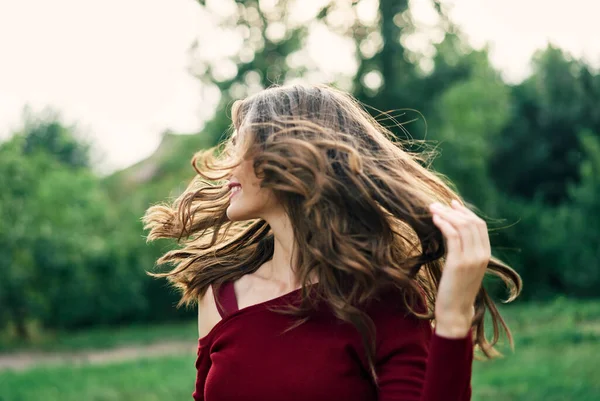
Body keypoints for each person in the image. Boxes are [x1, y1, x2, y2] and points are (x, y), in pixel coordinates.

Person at [143, 83, 522, 401]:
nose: (227, 164)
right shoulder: (221, 296)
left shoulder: (384, 303)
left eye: (240, 145)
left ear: (288, 158)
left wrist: (454, 317)